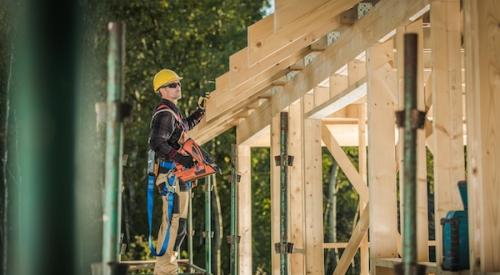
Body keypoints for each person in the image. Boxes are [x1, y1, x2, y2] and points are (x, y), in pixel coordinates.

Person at [148, 69, 208, 274]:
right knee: (173, 224)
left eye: (178, 84)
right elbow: (156, 142)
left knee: (179, 226)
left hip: (178, 177)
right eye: (172, 85)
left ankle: (166, 268)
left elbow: (183, 127)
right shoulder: (164, 113)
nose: (178, 87)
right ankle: (166, 270)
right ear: (162, 90)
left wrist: (199, 113)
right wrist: (180, 158)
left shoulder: (173, 112)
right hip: (170, 176)